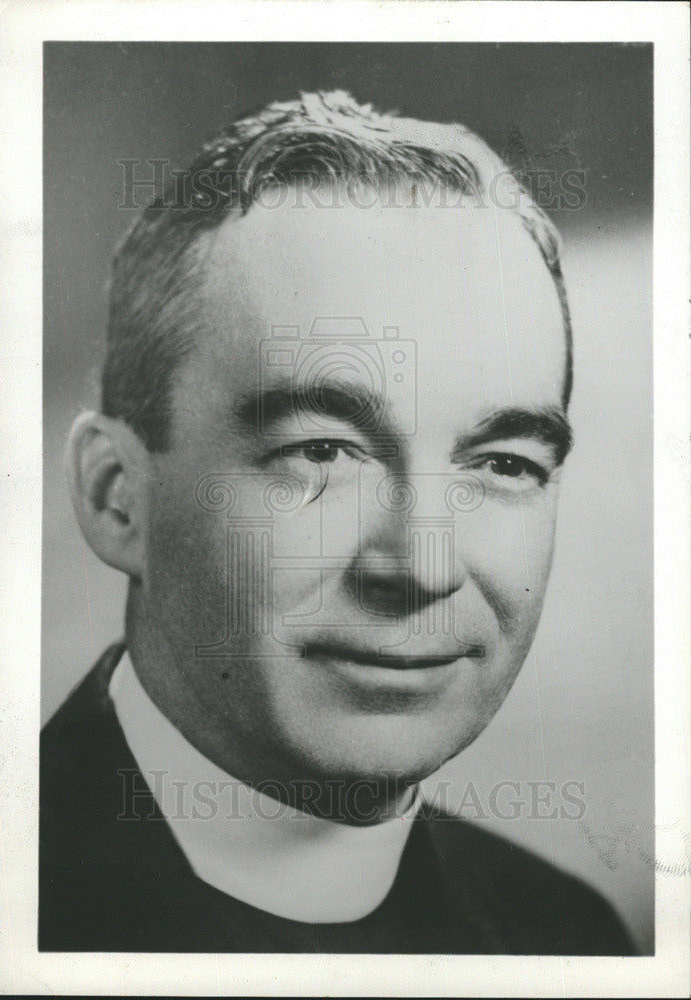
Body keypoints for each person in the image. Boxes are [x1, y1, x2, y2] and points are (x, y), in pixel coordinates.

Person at [40, 90, 636, 954]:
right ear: (115, 497)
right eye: (323, 452)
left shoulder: (568, 936)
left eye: (501, 463)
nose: (422, 567)